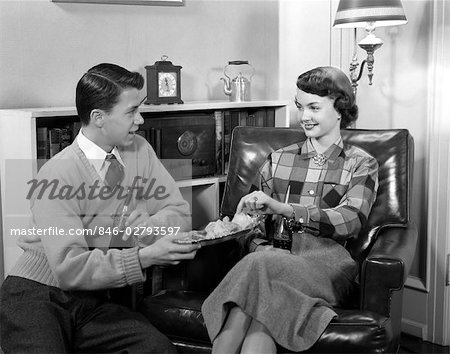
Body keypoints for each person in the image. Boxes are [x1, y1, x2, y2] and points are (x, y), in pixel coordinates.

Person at [0, 63, 200, 353]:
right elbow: (69, 268)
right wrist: (143, 256)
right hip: (36, 294)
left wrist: (148, 229)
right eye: (131, 111)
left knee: (157, 349)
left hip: (92, 300)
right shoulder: (58, 173)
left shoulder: (140, 151)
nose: (140, 119)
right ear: (99, 118)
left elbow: (179, 214)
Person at [201, 66, 379, 353]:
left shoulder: (360, 163)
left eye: (314, 107)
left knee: (253, 285)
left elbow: (351, 221)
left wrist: (284, 209)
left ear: (340, 109)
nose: (304, 116)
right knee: (263, 309)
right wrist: (248, 225)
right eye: (300, 106)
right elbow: (251, 223)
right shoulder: (279, 158)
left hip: (328, 266)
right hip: (273, 262)